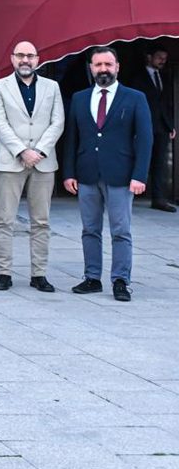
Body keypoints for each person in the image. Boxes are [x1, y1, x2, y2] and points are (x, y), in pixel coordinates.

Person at [64, 47, 154, 302]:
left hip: (122, 176)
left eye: (108, 64)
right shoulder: (80, 98)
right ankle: (92, 278)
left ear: (117, 67)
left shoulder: (135, 97)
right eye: (98, 65)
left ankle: (120, 281)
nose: (103, 69)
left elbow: (145, 139)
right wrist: (69, 172)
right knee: (89, 229)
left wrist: (140, 175)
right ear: (91, 68)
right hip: (87, 174)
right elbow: (72, 138)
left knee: (120, 230)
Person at [0, 41, 65, 292]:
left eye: (30, 56)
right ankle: (4, 273)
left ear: (37, 59)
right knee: (4, 220)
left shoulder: (52, 87)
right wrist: (22, 151)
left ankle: (39, 274)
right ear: (12, 59)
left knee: (41, 221)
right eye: (20, 55)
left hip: (44, 162)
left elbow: (58, 122)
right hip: (10, 161)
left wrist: (39, 151)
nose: (25, 60)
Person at [127, 47, 174, 212]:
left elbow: (166, 103)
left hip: (161, 127)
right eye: (159, 57)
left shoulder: (164, 77)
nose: (163, 60)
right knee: (138, 160)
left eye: (165, 58)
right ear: (149, 57)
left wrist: (170, 125)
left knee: (159, 163)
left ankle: (158, 198)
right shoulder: (137, 78)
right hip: (142, 126)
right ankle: (128, 195)